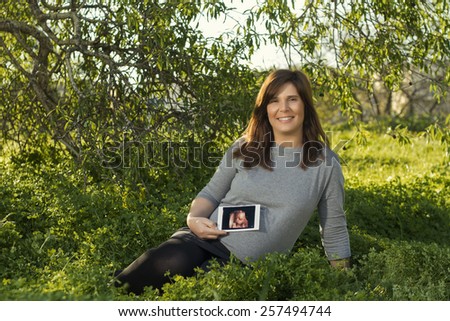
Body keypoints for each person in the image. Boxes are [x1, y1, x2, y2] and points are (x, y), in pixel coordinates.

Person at [114, 69, 351, 295]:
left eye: (292, 99)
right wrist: (194, 219)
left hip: (245, 265)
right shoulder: (244, 147)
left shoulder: (325, 163)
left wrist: (343, 285)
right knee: (169, 261)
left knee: (203, 290)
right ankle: (105, 293)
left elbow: (333, 227)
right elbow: (211, 193)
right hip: (203, 238)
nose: (283, 109)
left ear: (305, 106)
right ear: (265, 108)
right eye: (274, 101)